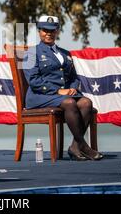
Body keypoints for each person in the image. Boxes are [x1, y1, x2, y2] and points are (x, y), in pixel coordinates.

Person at [24, 15, 103, 161]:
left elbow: (74, 78)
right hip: (40, 96)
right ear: (39, 31)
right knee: (70, 102)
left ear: (57, 31)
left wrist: (73, 88)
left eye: (52, 30)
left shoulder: (66, 53)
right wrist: (58, 91)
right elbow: (33, 81)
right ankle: (84, 146)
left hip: (63, 95)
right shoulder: (31, 53)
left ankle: (74, 146)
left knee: (86, 103)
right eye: (44, 30)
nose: (48, 33)